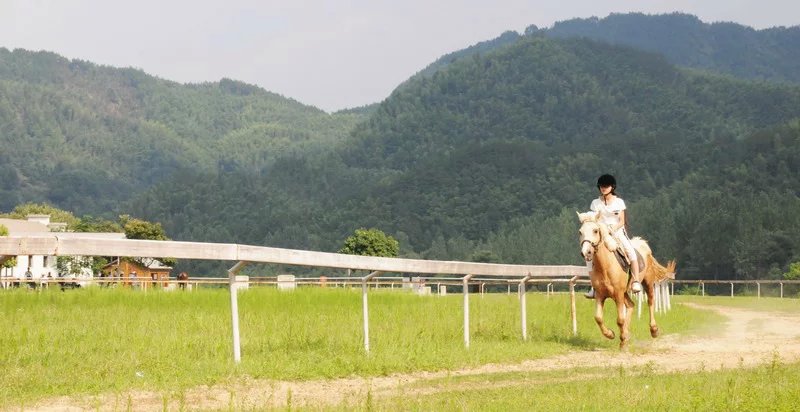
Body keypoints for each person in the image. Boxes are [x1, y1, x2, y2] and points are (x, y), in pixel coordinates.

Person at [585, 174, 642, 299]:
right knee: (588, 256)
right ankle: (593, 286)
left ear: (612, 187)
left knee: (630, 251)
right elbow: (594, 219)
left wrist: (613, 228)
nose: (603, 188)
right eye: (601, 186)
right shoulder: (595, 203)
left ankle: (636, 280)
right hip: (601, 233)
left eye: (606, 186)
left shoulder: (619, 202)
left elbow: (621, 221)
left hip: (617, 232)